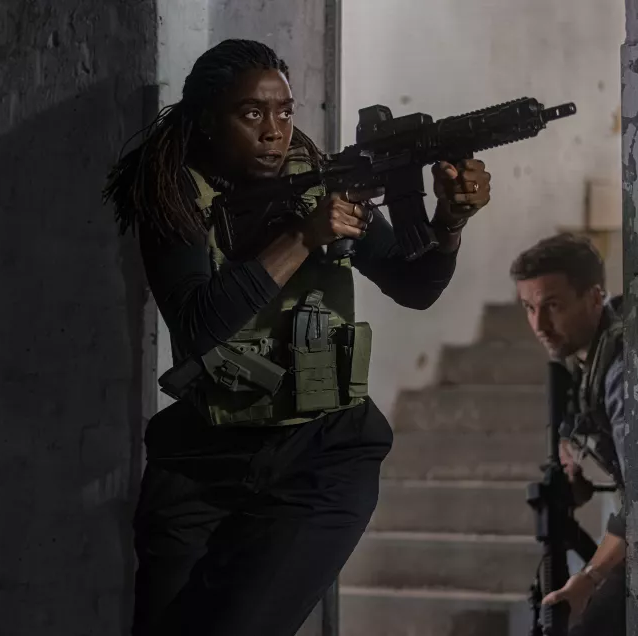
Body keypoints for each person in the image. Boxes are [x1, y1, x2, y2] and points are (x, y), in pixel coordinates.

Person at [104, 39, 492, 636]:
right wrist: (304, 239)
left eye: (284, 112)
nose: (273, 131)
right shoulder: (177, 194)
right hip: (204, 455)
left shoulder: (321, 185)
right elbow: (198, 323)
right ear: (208, 120)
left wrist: (449, 223)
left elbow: (415, 285)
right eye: (252, 113)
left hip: (322, 453)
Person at [510, 233, 625, 636]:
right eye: (529, 308)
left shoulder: (623, 373)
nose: (539, 325)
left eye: (553, 306)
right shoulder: (589, 354)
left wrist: (590, 579)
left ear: (594, 297)